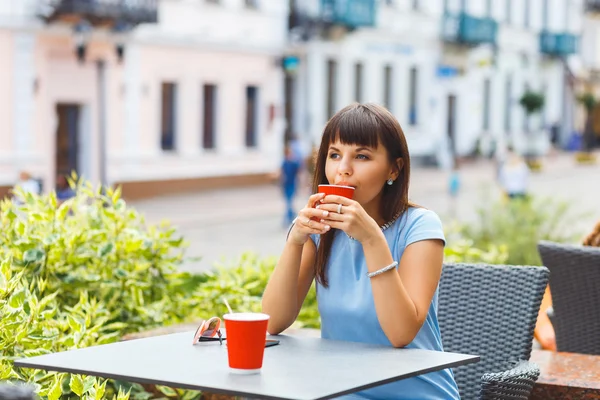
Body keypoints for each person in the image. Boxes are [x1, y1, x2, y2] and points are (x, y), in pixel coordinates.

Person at [262, 103, 460, 399]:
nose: (343, 169)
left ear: (394, 168)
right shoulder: (320, 230)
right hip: (342, 389)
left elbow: (401, 333)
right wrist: (295, 241)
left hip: (417, 393)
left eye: (362, 156)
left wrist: (372, 240)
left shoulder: (419, 227)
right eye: (334, 154)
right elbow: (273, 321)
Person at [280, 145, 302, 226]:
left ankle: (288, 220)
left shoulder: (293, 162)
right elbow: (282, 173)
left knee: (289, 203)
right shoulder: (285, 162)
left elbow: (298, 171)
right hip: (286, 185)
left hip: (292, 184)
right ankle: (292, 217)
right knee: (288, 202)